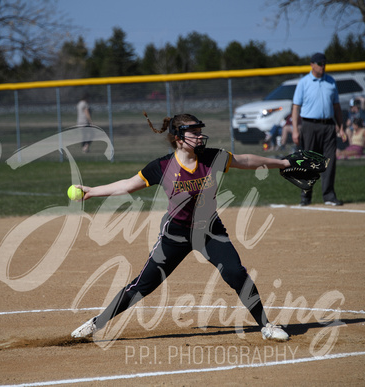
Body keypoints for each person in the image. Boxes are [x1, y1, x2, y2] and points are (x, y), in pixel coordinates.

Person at [71, 113, 290, 342]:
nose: (199, 136)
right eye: (193, 132)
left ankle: (266, 325)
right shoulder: (163, 166)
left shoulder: (212, 157)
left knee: (236, 273)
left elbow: (244, 160)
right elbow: (128, 185)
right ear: (178, 137)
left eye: (199, 131)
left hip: (209, 230)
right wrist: (93, 191)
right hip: (175, 234)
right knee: (142, 286)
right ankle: (96, 323)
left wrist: (283, 163)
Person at [291, 52, 346, 206]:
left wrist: (341, 127)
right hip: (310, 125)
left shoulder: (331, 82)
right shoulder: (304, 82)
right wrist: (295, 130)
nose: (323, 66)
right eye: (320, 63)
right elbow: (296, 108)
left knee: (329, 161)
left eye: (324, 63)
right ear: (312, 65)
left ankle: (329, 196)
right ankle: (305, 197)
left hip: (328, 125)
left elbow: (336, 107)